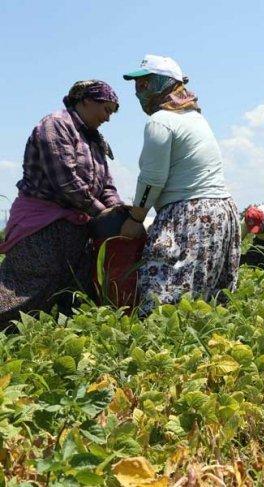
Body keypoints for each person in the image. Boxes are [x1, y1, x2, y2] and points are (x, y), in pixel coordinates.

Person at [120, 55, 240, 315]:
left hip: (191, 214)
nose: (139, 92)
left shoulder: (161, 120)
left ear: (165, 84)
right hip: (220, 211)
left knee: (162, 300)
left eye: (145, 84)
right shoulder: (195, 117)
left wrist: (135, 217)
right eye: (137, 85)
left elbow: (152, 178)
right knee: (204, 302)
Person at [0, 80, 122, 330]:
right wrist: (103, 213)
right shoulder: (56, 125)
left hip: (76, 230)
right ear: (86, 101)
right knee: (22, 292)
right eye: (106, 110)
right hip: (42, 228)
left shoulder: (95, 139)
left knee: (71, 295)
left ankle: (54, 349)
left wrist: (119, 212)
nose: (108, 118)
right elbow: (65, 182)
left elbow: (106, 185)